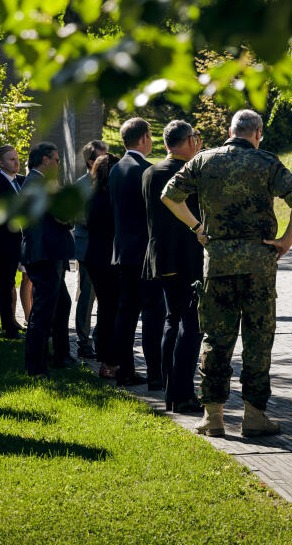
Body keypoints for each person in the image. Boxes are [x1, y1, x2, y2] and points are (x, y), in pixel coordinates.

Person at [162, 109, 292, 438]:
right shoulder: (267, 161)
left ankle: (212, 416)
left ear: (231, 131)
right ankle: (254, 416)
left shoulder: (204, 160)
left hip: (218, 262)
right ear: (256, 132)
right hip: (259, 263)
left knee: (216, 338)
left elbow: (169, 196)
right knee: (258, 339)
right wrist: (286, 240)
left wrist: (198, 227)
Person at [143, 120, 204, 415]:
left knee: (172, 320)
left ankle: (169, 387)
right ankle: (182, 394)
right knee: (191, 326)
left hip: (160, 257)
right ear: (189, 141)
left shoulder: (150, 172)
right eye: (196, 138)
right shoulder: (190, 173)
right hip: (186, 258)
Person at [109, 118, 163, 388]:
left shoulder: (115, 169)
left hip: (123, 251)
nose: (152, 140)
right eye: (150, 136)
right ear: (143, 138)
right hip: (145, 253)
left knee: (126, 313)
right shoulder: (146, 170)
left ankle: (125, 370)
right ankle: (156, 372)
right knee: (153, 312)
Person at [20, 142, 75, 377]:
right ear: (45, 160)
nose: (58, 164)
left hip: (47, 252)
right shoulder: (39, 182)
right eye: (56, 159)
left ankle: (60, 355)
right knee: (43, 311)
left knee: (61, 303)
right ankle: (36, 366)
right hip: (44, 254)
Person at [84, 153, 121, 379]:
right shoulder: (111, 198)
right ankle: (109, 361)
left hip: (94, 257)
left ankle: (105, 356)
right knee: (111, 309)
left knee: (106, 308)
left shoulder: (92, 195)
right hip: (109, 259)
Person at [72, 139, 109, 359]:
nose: (108, 161)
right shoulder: (81, 185)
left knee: (107, 298)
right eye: (104, 157)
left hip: (108, 249)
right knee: (86, 297)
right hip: (87, 248)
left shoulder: (110, 181)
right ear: (91, 161)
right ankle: (82, 341)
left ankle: (101, 338)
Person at [0, 145, 25, 338]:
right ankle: (8, 327)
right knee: (5, 284)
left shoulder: (22, 182)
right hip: (5, 244)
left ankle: (17, 322)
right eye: (11, 159)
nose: (16, 162)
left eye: (16, 158)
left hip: (24, 241)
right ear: (1, 162)